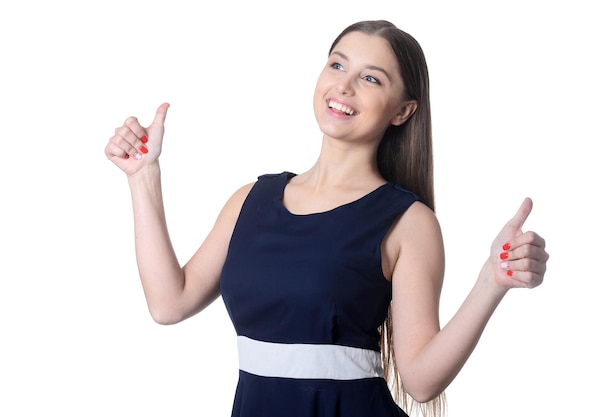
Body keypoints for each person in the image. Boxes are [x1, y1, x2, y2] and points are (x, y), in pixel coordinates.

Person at [104, 20, 549, 417]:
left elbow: (420, 381)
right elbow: (169, 302)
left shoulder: (408, 222)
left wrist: (491, 282)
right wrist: (144, 177)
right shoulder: (250, 200)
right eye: (337, 65)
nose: (344, 86)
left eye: (370, 78)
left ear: (403, 110)